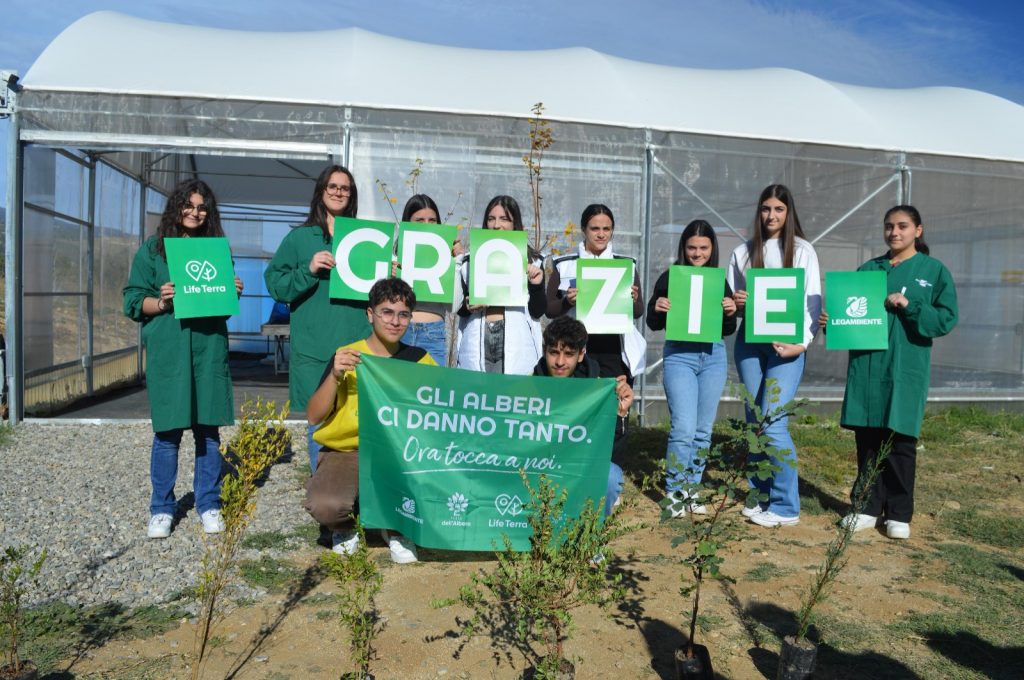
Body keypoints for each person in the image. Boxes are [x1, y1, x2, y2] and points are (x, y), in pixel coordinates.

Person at [825, 206, 957, 540]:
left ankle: (899, 512)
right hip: (869, 366)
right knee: (868, 437)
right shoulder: (870, 269)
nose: (894, 232)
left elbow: (945, 319)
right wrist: (834, 322)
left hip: (905, 366)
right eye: (888, 227)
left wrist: (910, 306)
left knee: (900, 439)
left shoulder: (933, 271)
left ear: (918, 230)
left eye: (902, 226)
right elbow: (853, 315)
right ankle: (867, 507)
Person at [123, 179, 243, 539]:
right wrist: (160, 301)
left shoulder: (216, 252)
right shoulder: (153, 251)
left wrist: (233, 290)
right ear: (176, 208)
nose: (195, 212)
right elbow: (132, 301)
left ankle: (208, 503)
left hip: (207, 349)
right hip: (170, 351)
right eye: (188, 205)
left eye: (202, 207)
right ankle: (161, 507)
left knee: (208, 430)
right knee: (168, 432)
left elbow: (222, 305)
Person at [304, 277, 436, 563]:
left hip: (400, 454)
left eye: (403, 314)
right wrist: (334, 376)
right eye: (386, 312)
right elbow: (314, 415)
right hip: (347, 450)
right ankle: (345, 525)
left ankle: (397, 527)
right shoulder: (347, 355)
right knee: (326, 505)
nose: (395, 321)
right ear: (370, 314)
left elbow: (439, 414)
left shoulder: (420, 360)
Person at [727, 184, 821, 528]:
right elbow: (732, 306)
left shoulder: (802, 250)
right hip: (750, 344)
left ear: (788, 212)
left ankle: (785, 505)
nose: (771, 215)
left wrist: (803, 343)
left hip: (788, 347)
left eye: (779, 209)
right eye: (766, 208)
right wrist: (735, 306)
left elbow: (813, 300)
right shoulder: (741, 252)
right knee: (755, 421)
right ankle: (759, 493)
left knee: (772, 420)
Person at [264, 165, 368, 473]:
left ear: (352, 195)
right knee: (319, 421)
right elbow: (275, 284)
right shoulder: (300, 239)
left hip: (356, 339)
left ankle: (354, 497)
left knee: (359, 419)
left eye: (345, 188)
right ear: (321, 192)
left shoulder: (364, 238)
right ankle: (322, 491)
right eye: (332, 186)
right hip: (314, 344)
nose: (338, 192)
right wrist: (307, 270)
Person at [646, 220, 737, 516]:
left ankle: (691, 490)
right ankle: (674, 491)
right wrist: (657, 307)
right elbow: (653, 322)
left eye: (703, 248)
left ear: (712, 249)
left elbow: (727, 328)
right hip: (680, 357)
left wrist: (730, 311)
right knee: (683, 427)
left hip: (713, 357)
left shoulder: (719, 281)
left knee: (702, 431)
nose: (697, 253)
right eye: (692, 247)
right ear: (683, 248)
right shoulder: (671, 277)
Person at [532, 316, 633, 516]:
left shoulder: (597, 388)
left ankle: (590, 540)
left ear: (581, 354)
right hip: (537, 466)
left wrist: (620, 414)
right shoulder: (529, 386)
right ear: (545, 351)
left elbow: (606, 451)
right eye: (553, 353)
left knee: (612, 476)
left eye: (569, 354)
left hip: (580, 466)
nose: (560, 362)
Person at [547, 204, 646, 384]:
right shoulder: (564, 264)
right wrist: (567, 302)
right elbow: (549, 309)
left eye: (606, 229)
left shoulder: (626, 265)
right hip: (574, 346)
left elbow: (638, 311)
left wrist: (634, 299)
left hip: (613, 348)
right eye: (595, 228)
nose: (601, 234)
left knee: (613, 405)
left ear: (612, 231)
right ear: (584, 229)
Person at [455, 195, 545, 374]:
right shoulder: (470, 261)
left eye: (504, 219)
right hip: (478, 337)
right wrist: (468, 305)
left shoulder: (533, 261)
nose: (497, 225)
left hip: (515, 340)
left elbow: (538, 311)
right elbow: (459, 309)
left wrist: (536, 285)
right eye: (491, 219)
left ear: (515, 223)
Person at [398, 194, 461, 366]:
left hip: (432, 333)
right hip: (399, 331)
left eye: (432, 220)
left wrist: (456, 262)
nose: (427, 225)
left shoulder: (446, 257)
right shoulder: (395, 256)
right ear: (408, 222)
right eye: (419, 220)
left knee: (431, 390)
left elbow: (454, 306)